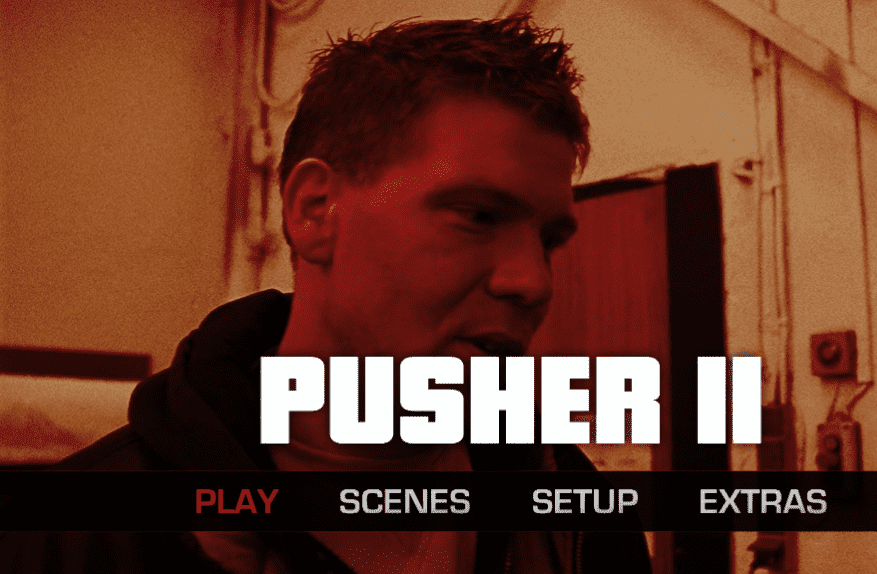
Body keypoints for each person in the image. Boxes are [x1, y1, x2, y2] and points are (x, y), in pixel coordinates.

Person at [0, 14, 652, 574]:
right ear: (315, 211)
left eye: (550, 241)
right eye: (478, 216)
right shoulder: (70, 540)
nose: (533, 282)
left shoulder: (577, 521)